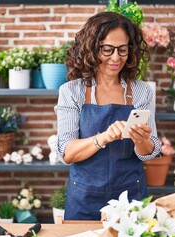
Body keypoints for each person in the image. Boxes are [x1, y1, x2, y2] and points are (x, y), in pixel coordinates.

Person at [54, 11, 161, 220]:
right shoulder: (71, 92)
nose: (115, 58)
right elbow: (67, 153)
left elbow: (150, 151)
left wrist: (142, 139)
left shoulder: (142, 91)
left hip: (130, 195)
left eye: (122, 50)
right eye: (107, 50)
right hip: (84, 197)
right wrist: (103, 137)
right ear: (92, 49)